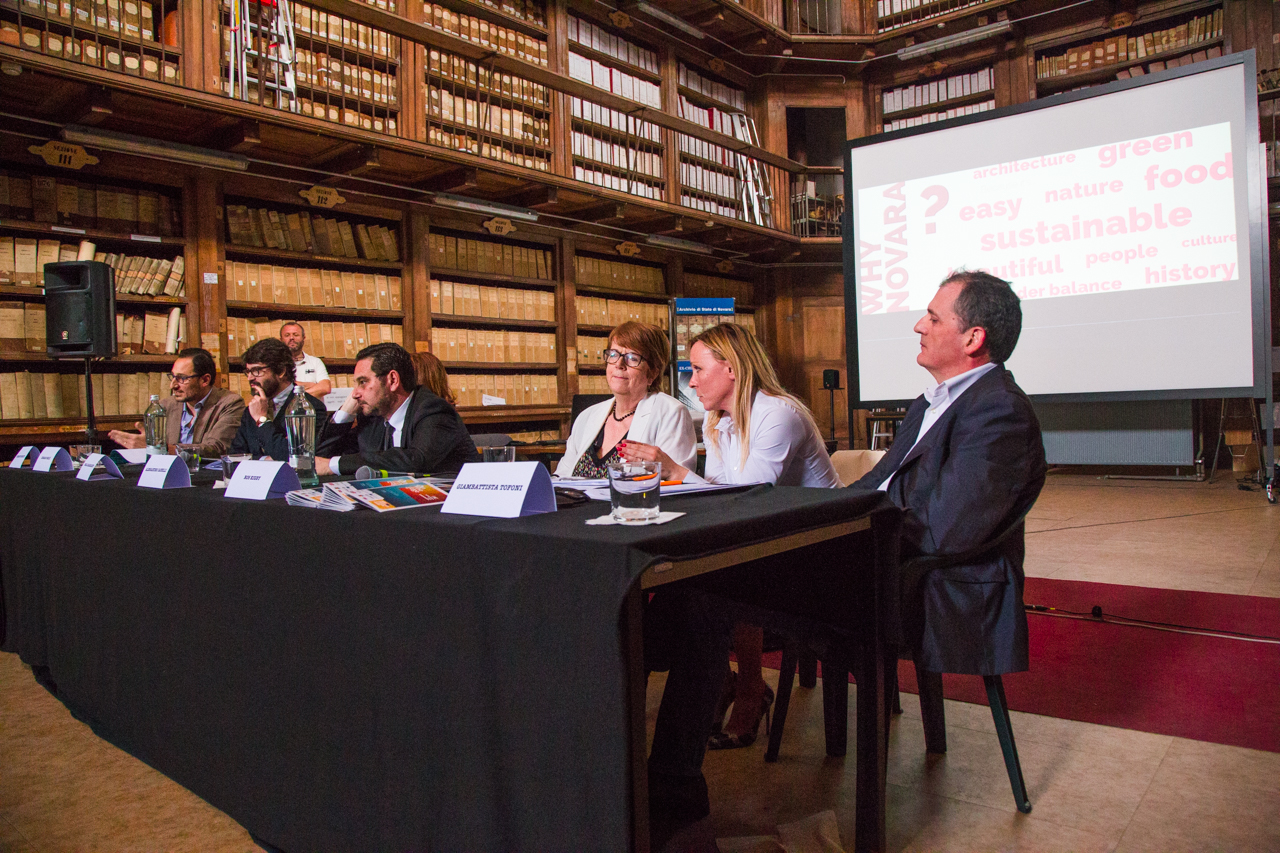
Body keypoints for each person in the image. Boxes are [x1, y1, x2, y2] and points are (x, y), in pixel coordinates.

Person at [622, 323, 839, 752]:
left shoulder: (778, 413)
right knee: (682, 581)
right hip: (772, 538)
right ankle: (709, 686)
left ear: (733, 369)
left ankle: (738, 689)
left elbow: (748, 496)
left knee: (705, 588)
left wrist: (676, 471)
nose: (693, 380)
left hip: (819, 550)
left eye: (700, 369)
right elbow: (724, 503)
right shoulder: (718, 421)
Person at [851, 270, 1047, 677]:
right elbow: (880, 483)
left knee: (739, 591)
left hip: (939, 581)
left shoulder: (1000, 411)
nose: (919, 325)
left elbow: (945, 529)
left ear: (973, 339)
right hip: (893, 556)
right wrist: (822, 513)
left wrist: (848, 534)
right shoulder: (930, 402)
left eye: (934, 319)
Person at [555, 321, 694, 479]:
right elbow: (561, 477)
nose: (619, 364)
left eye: (632, 358)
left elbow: (679, 487)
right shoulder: (587, 416)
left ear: (652, 373)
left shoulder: (670, 413)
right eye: (613, 355)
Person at [315, 342, 480, 476]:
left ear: (392, 380)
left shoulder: (433, 410)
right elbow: (322, 458)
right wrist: (345, 412)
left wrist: (333, 465)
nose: (355, 393)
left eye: (363, 382)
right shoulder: (373, 418)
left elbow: (417, 460)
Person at [107, 347, 244, 458]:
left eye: (182, 378)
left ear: (205, 380)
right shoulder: (165, 406)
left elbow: (216, 449)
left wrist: (163, 449)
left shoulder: (230, 403)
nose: (172, 386)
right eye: (172, 377)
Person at [229, 337, 329, 460]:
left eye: (256, 371)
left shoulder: (311, 408)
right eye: (248, 371)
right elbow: (235, 456)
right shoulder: (251, 409)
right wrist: (264, 460)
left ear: (281, 371)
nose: (249, 378)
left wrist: (262, 421)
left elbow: (294, 457)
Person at [280, 321, 331, 399]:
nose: (291, 338)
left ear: (304, 338)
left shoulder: (315, 362)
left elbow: (325, 388)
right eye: (287, 335)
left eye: (295, 335)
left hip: (314, 411)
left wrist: (293, 396)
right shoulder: (277, 363)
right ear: (281, 339)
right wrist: (312, 385)